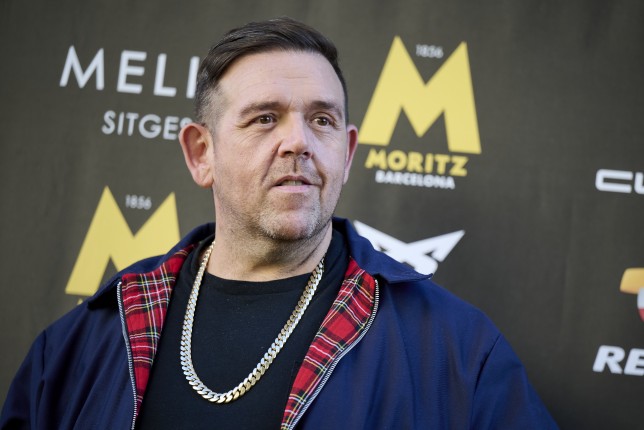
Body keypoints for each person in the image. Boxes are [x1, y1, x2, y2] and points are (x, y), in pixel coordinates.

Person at [1, 17, 557, 429]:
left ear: (347, 151)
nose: (298, 142)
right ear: (201, 153)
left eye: (322, 120)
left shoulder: (456, 352)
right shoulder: (84, 342)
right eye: (265, 118)